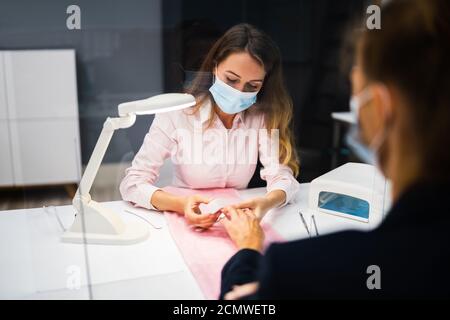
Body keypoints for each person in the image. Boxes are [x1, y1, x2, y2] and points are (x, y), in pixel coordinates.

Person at [219, 0, 450, 299]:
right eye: (231, 80)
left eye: (357, 90)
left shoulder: (306, 269)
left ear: (379, 108)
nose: (239, 93)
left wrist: (248, 253)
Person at [120, 24, 300, 229]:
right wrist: (181, 205)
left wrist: (266, 203)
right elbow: (132, 183)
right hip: (181, 219)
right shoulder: (176, 112)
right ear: (215, 68)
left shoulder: (262, 117)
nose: (239, 92)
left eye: (253, 86)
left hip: (235, 220)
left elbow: (281, 176)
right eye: (231, 79)